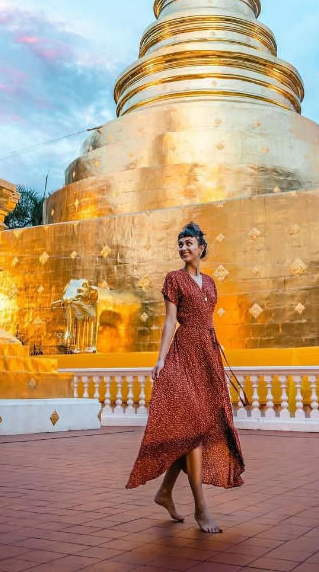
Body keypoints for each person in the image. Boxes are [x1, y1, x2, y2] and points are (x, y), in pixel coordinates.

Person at [125, 222, 245, 533]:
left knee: (200, 429)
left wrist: (214, 345)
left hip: (208, 357)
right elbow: (169, 323)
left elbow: (208, 321)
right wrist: (161, 358)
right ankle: (200, 509)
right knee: (192, 426)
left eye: (189, 243)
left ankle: (165, 492)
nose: (184, 248)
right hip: (183, 353)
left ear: (202, 247)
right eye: (180, 244)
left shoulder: (211, 282)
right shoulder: (173, 279)